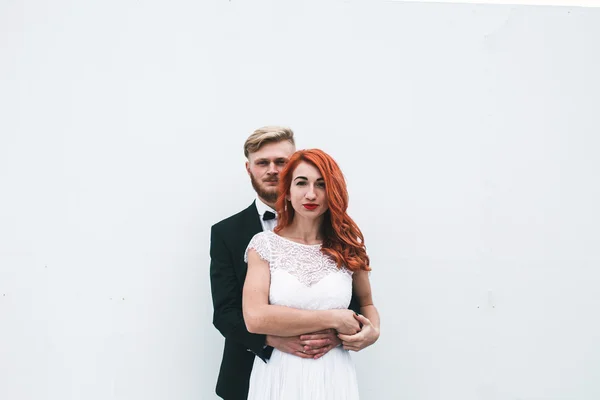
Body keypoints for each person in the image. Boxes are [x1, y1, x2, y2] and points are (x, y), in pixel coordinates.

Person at [210, 127, 367, 400]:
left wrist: (362, 332)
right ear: (249, 168)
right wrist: (271, 340)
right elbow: (225, 311)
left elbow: (353, 302)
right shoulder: (228, 232)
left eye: (281, 162)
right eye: (262, 162)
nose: (272, 170)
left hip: (327, 368)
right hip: (250, 372)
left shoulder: (338, 238)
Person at [243, 149, 380, 400]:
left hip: (334, 375)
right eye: (301, 183)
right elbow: (255, 317)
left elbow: (367, 304)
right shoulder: (264, 245)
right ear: (288, 190)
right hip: (280, 374)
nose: (311, 194)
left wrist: (372, 332)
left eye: (321, 184)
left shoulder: (348, 247)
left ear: (333, 192)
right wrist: (334, 318)